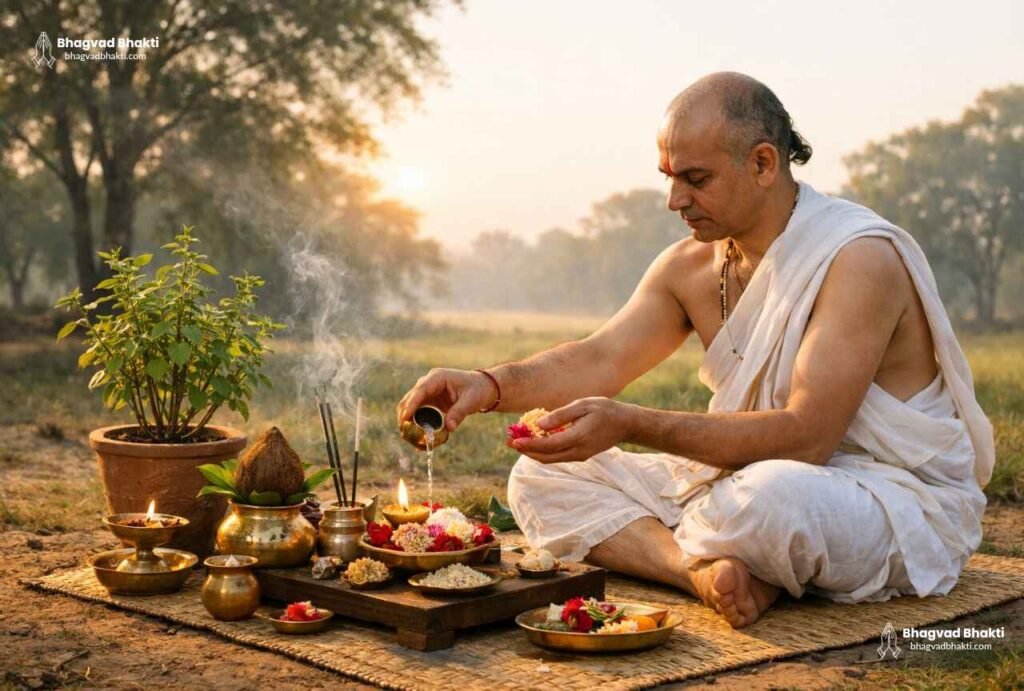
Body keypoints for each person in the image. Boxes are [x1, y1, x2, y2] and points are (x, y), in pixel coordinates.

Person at [396, 72, 993, 628]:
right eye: (669, 177)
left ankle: (731, 548)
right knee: (538, 475)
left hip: (876, 496)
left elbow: (809, 438)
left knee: (774, 501)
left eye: (695, 178)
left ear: (763, 163)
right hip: (739, 482)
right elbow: (599, 359)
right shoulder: (690, 266)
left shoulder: (857, 258)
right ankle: (699, 571)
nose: (674, 200)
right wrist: (486, 385)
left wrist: (631, 423)